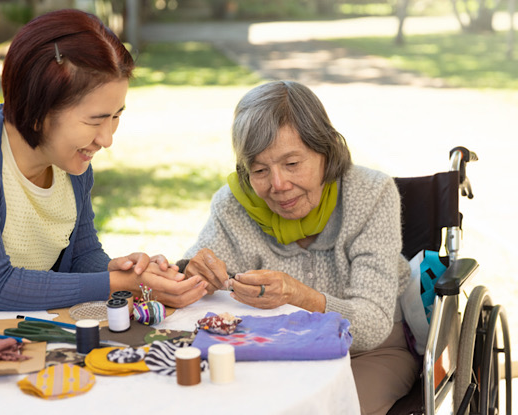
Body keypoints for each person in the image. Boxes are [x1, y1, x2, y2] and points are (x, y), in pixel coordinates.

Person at [0, 9, 207, 342]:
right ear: (39, 107)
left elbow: (83, 256)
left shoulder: (71, 163)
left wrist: (127, 271)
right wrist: (116, 284)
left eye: (116, 116)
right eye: (95, 120)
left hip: (11, 345)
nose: (107, 139)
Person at [179, 80, 419, 414]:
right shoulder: (234, 205)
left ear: (326, 152)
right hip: (276, 350)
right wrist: (191, 269)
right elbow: (194, 275)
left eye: (292, 164)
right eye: (260, 170)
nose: (278, 185)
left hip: (368, 354)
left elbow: (372, 324)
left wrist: (299, 295)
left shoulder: (371, 194)